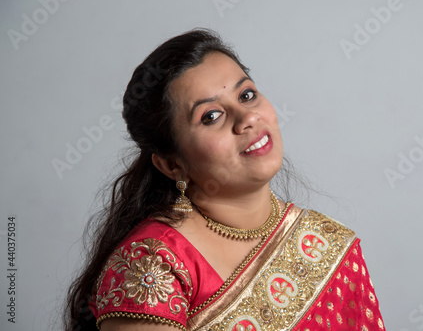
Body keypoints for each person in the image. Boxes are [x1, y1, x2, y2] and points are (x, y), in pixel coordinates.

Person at [64, 29, 385, 331]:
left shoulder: (327, 243)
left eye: (246, 95)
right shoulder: (152, 266)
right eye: (211, 116)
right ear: (171, 164)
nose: (247, 119)